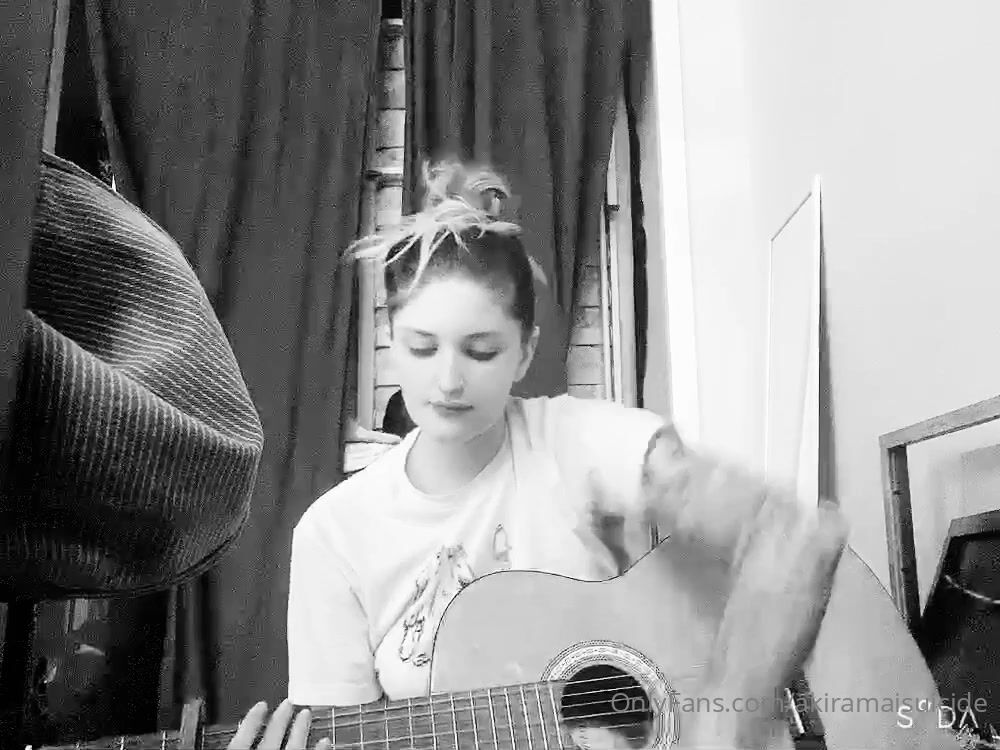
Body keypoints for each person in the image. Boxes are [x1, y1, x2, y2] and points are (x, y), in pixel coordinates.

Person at [283, 160, 862, 747]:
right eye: (422, 347)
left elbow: (792, 536)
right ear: (391, 341)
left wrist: (726, 721)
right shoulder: (333, 536)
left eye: (481, 352)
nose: (449, 380)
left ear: (525, 352)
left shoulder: (577, 442)